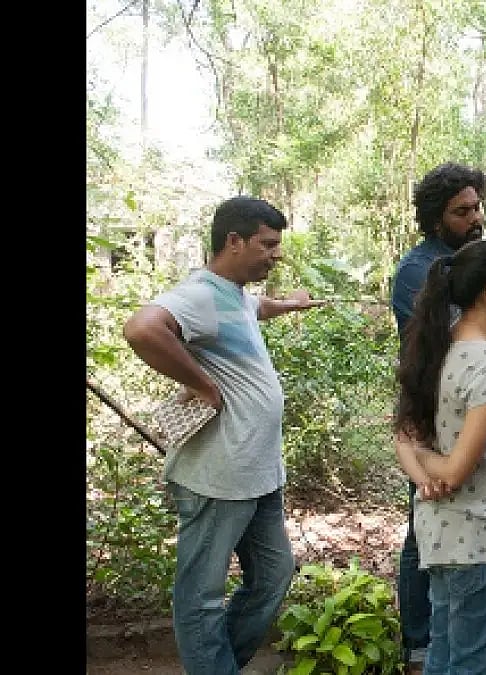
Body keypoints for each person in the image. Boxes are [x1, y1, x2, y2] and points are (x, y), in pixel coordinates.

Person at [122, 196, 326, 674]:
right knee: (202, 596)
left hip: (256, 474)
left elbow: (256, 307)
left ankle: (219, 666)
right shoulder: (200, 294)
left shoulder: (231, 293)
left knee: (273, 576)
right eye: (267, 244)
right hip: (218, 476)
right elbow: (141, 329)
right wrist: (200, 383)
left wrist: (292, 304)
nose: (276, 254)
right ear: (233, 241)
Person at [390, 162, 486, 672]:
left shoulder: (435, 354)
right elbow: (458, 469)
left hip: (439, 532)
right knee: (474, 662)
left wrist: (421, 475)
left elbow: (403, 434)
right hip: (481, 538)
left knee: (444, 655)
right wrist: (438, 473)